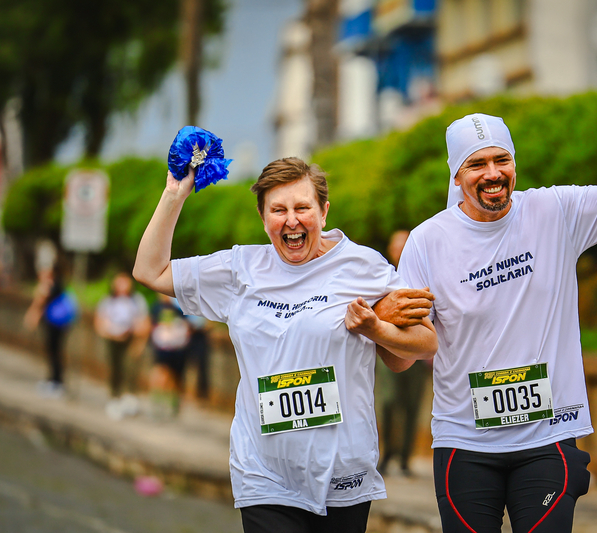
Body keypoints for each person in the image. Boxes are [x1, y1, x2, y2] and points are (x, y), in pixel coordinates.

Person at [380, 58, 597, 533]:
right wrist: (383, 326)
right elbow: (402, 358)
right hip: (465, 443)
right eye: (477, 164)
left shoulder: (553, 211)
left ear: (514, 164)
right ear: (456, 176)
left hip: (549, 437)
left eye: (502, 160)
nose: (493, 173)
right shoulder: (427, 241)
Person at [132, 156, 437, 533]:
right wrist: (174, 194)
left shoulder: (364, 267)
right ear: (264, 219)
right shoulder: (240, 268)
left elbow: (426, 343)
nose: (291, 220)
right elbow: (149, 271)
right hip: (264, 472)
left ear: (323, 212)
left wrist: (375, 328)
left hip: (343, 474)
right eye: (278, 210)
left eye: (302, 207)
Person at [377, 229, 432, 477]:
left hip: (419, 354)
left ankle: (405, 460)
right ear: (391, 249)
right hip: (388, 350)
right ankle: (387, 454)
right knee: (388, 402)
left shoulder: (424, 273)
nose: (402, 249)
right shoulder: (380, 275)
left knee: (412, 404)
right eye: (397, 245)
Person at [94, 272, 150, 419]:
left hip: (130, 339)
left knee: (130, 369)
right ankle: (115, 397)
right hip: (112, 341)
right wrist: (111, 332)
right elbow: (100, 322)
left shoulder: (137, 301)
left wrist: (137, 336)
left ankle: (130, 398)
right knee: (114, 369)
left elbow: (144, 323)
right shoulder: (108, 301)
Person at [23, 259, 77, 398]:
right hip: (55, 323)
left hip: (56, 324)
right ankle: (53, 380)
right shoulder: (58, 285)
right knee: (53, 351)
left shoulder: (53, 286)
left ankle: (56, 381)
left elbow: (41, 301)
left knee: (54, 352)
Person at [148, 293, 192, 419]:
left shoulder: (178, 310)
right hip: (161, 347)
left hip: (176, 348)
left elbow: (186, 327)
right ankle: (157, 401)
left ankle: (173, 402)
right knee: (161, 372)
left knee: (175, 376)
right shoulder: (156, 308)